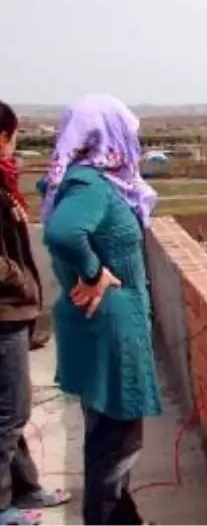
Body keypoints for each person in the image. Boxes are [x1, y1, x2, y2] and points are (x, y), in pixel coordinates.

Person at [41, 94, 161, 526]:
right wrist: (95, 273)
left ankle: (123, 518)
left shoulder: (79, 180)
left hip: (99, 327)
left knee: (109, 437)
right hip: (110, 331)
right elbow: (64, 233)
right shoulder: (90, 184)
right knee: (115, 444)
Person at [0, 101, 71, 526]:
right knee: (10, 412)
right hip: (3, 314)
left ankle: (25, 488)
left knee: (11, 408)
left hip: (10, 313)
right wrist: (22, 283)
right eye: (14, 137)